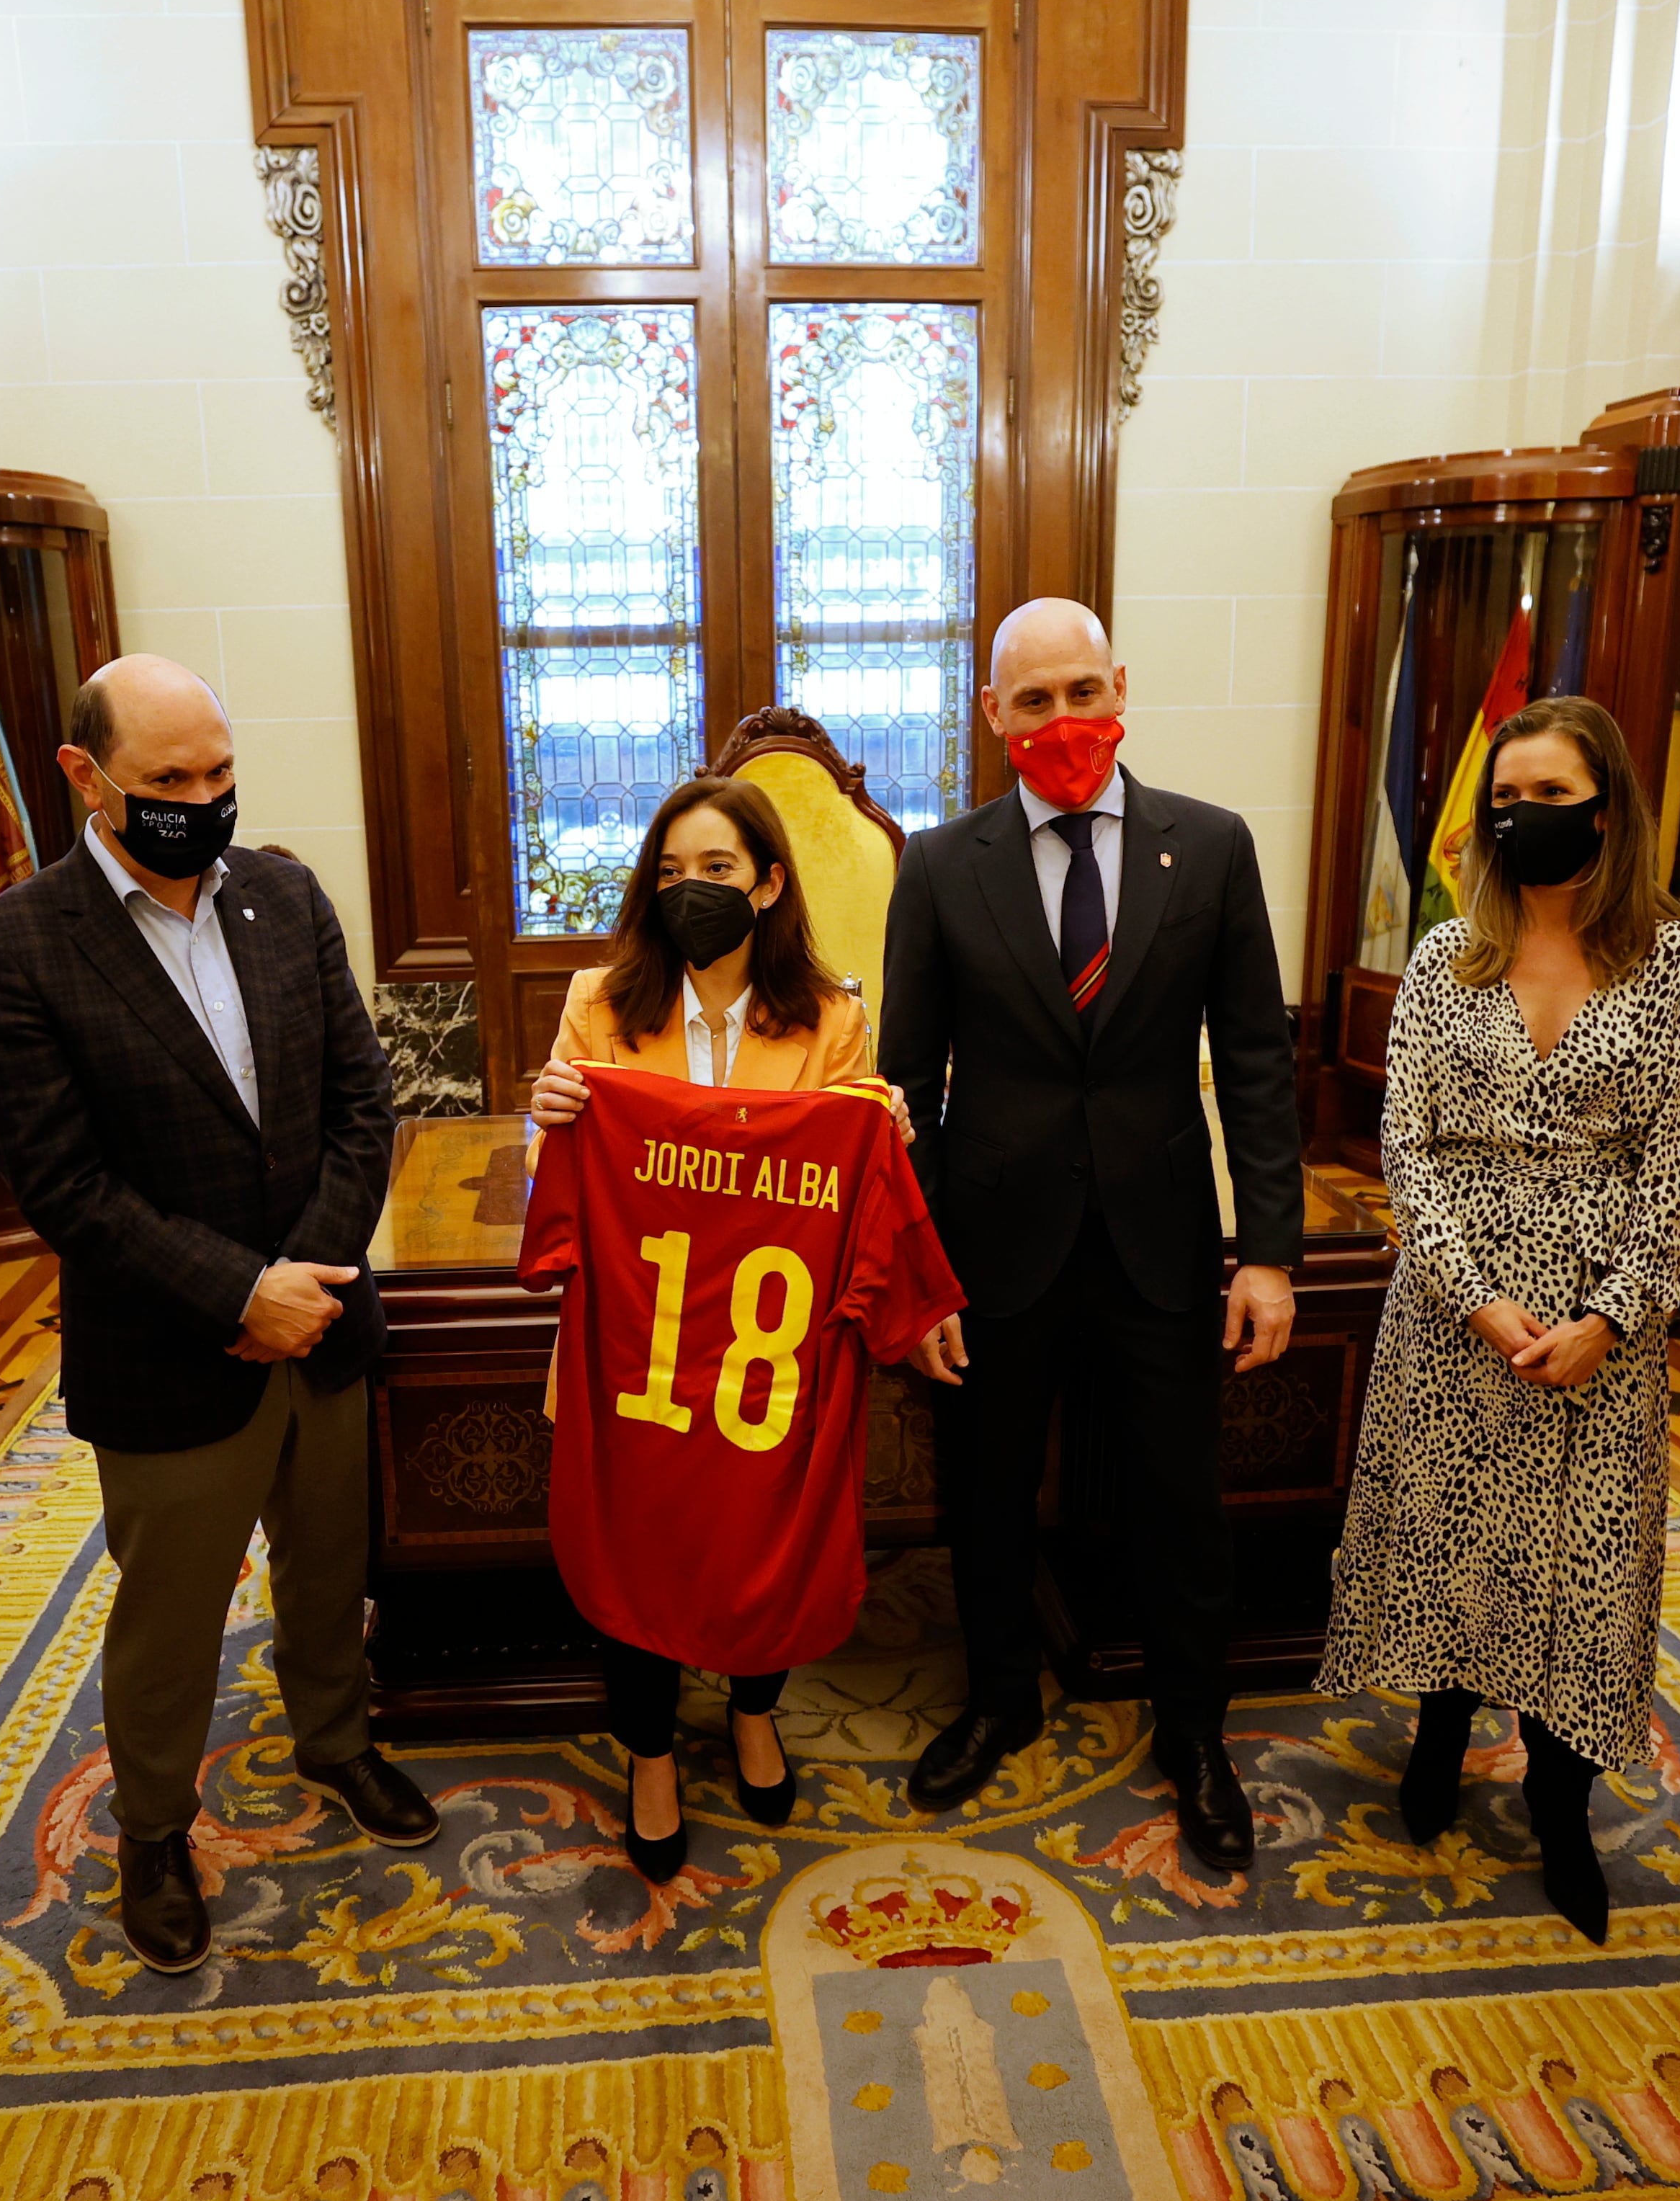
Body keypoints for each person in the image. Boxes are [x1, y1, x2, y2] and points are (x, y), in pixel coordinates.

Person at [0, 653, 433, 1984]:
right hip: (171, 1351)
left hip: (321, 1321)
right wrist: (238, 1294)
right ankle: (157, 1833)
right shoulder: (16, 947)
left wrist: (305, 1280)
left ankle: (338, 1742)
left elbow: (361, 1105)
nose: (203, 799)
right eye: (169, 781)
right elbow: (64, 1184)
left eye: (219, 773)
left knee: (332, 1563)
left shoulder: (284, 893)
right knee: (168, 1617)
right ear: (85, 777)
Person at [879, 597, 1308, 1872]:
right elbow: (909, 1088)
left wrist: (1270, 1249)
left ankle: (1197, 1736)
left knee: (1182, 1504)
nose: (1061, 720)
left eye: (1080, 692)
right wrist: (925, 1272)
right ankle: (1001, 1699)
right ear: (992, 716)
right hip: (994, 1248)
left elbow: (1256, 1063)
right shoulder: (941, 867)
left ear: (1119, 685)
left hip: (1160, 1244)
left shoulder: (1214, 848)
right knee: (990, 1497)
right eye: (1033, 701)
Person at [1318, 696, 1680, 1943]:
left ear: (1608, 809)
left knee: (1578, 1575)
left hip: (1605, 1333)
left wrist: (1608, 1315)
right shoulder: (1446, 958)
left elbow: (1674, 1171)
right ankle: (1435, 1742)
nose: (1522, 817)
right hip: (1453, 1313)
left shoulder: (1678, 963)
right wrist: (1486, 1304)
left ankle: (1559, 1800)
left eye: (1552, 796)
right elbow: (1409, 1155)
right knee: (1444, 1542)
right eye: (1508, 797)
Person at [526, 775, 885, 1880]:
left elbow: (851, 1189)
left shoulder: (834, 1018)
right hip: (631, 1357)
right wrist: (549, 1126)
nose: (692, 891)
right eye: (671, 872)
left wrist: (887, 1128)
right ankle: (647, 1752)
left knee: (760, 1554)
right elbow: (563, 1181)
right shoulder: (599, 1003)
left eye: (718, 870)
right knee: (641, 1559)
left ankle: (753, 1713)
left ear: (770, 883)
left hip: (762, 1367)